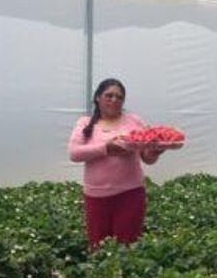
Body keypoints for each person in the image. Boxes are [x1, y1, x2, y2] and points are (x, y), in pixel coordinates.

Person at [68, 79, 162, 249]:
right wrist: (106, 148)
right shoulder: (86, 123)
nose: (114, 100)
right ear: (98, 97)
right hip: (96, 196)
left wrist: (155, 151)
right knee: (98, 246)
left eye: (119, 97)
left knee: (127, 246)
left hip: (130, 193)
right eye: (109, 95)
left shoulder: (134, 121)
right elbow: (74, 153)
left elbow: (147, 158)